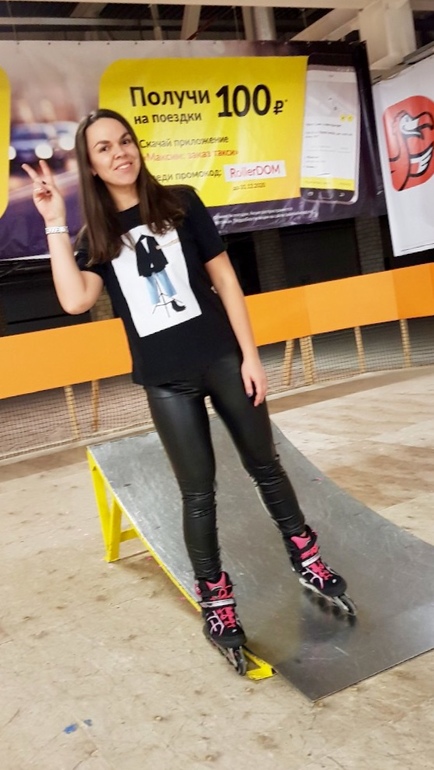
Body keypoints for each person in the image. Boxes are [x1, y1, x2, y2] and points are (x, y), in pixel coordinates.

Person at [23, 108, 352, 667]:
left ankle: (305, 556)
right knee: (198, 493)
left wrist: (251, 356)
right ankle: (215, 599)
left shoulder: (180, 202)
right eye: (104, 148)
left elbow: (225, 279)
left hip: (224, 360)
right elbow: (74, 300)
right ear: (92, 166)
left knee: (266, 465)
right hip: (166, 381)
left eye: (125, 141)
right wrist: (54, 221)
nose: (119, 152)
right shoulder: (96, 237)